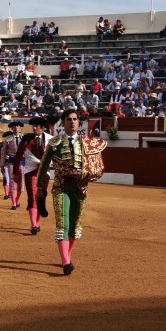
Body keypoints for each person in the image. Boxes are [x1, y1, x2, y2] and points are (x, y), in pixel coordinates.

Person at [36, 109, 108, 275]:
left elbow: (98, 169)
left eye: (75, 119)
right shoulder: (54, 143)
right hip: (61, 186)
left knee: (75, 226)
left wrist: (82, 173)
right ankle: (66, 262)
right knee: (63, 224)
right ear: (62, 122)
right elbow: (43, 167)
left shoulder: (88, 143)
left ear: (79, 123)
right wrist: (40, 189)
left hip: (80, 188)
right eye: (69, 119)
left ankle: (67, 256)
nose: (72, 122)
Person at [13, 116, 53, 234]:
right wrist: (16, 172)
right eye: (33, 126)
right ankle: (33, 225)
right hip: (30, 170)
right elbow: (18, 156)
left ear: (42, 127)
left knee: (41, 197)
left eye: (37, 126)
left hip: (44, 171)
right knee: (32, 196)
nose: (34, 128)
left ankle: (38, 222)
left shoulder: (50, 139)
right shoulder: (26, 139)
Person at [4, 120, 24, 209]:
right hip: (11, 161)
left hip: (22, 162)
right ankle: (13, 203)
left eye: (18, 126)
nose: (16, 128)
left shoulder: (24, 139)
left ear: (20, 128)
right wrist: (1, 165)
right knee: (12, 181)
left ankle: (17, 199)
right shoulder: (7, 139)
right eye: (14, 126)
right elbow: (3, 153)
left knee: (21, 183)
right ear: (12, 128)